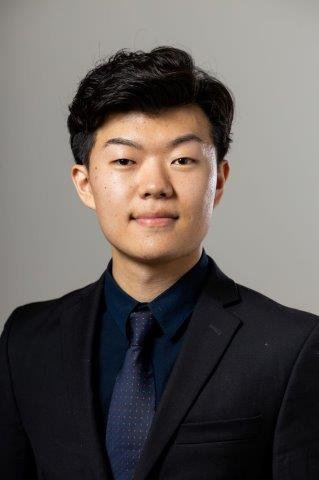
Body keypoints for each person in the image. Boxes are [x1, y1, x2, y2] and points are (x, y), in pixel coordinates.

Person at [1, 45, 318, 480]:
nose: (154, 185)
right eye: (125, 161)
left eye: (182, 160)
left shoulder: (292, 348)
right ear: (85, 183)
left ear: (218, 181)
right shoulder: (26, 340)